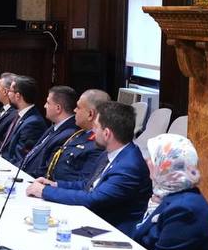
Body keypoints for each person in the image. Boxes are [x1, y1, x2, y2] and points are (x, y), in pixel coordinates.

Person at [26, 100, 151, 235]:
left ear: (107, 133)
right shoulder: (111, 153)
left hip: (113, 232)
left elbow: (93, 199)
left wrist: (45, 191)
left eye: (96, 127)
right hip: (95, 221)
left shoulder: (129, 166)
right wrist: (55, 185)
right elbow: (88, 185)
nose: (93, 131)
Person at [131, 134, 208, 250]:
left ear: (167, 166)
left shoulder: (186, 209)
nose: (147, 161)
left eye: (153, 158)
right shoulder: (166, 196)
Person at [43, 88, 108, 183]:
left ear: (90, 114)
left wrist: (51, 187)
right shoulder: (79, 133)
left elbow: (84, 184)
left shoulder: (98, 144)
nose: (74, 110)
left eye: (78, 107)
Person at [20, 85, 80, 178]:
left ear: (58, 108)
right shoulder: (55, 126)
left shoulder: (68, 134)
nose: (44, 106)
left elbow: (47, 169)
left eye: (48, 103)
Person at [0, 75, 47, 163]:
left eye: (10, 91)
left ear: (18, 96)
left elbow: (19, 159)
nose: (8, 94)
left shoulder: (33, 123)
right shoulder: (19, 115)